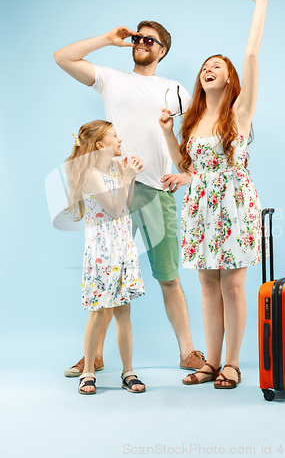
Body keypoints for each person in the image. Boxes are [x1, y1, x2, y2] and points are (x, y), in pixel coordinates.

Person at [54, 21, 206, 377]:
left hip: (156, 192)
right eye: (137, 37)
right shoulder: (112, 78)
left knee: (168, 277)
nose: (140, 42)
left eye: (148, 39)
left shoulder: (176, 90)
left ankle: (187, 352)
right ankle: (94, 357)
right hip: (113, 192)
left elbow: (199, 135)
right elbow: (63, 57)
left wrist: (188, 173)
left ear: (162, 49)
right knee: (109, 278)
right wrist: (108, 40)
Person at [158, 0, 274, 388]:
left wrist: (260, 4)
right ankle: (209, 364)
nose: (208, 70)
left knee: (233, 284)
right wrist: (169, 132)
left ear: (230, 79)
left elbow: (252, 54)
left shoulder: (240, 112)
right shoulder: (192, 119)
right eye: (205, 67)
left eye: (217, 67)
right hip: (200, 205)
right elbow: (186, 165)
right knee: (208, 284)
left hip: (234, 203)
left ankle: (232, 363)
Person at [64, 119, 146, 394]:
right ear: (100, 145)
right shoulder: (92, 175)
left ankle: (128, 372)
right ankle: (88, 371)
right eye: (114, 136)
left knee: (124, 311)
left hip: (122, 246)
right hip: (103, 251)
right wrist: (126, 179)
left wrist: (128, 177)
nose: (120, 139)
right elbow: (112, 209)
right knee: (98, 314)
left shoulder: (113, 169)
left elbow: (126, 204)